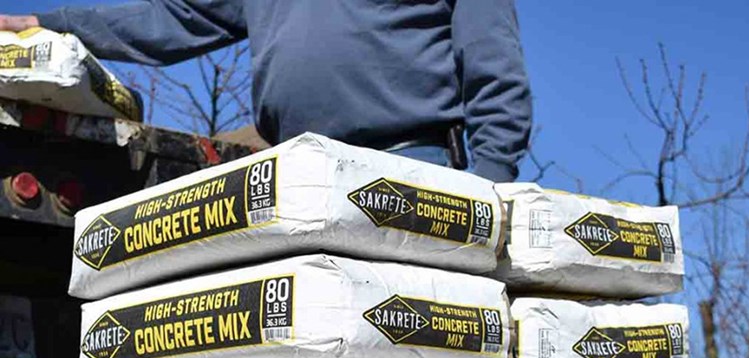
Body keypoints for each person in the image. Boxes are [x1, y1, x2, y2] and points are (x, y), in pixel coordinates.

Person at [0, 1, 532, 180]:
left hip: (411, 165)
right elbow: (173, 19)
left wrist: (492, 183)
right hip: (298, 173)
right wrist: (45, 23)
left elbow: (494, 63)